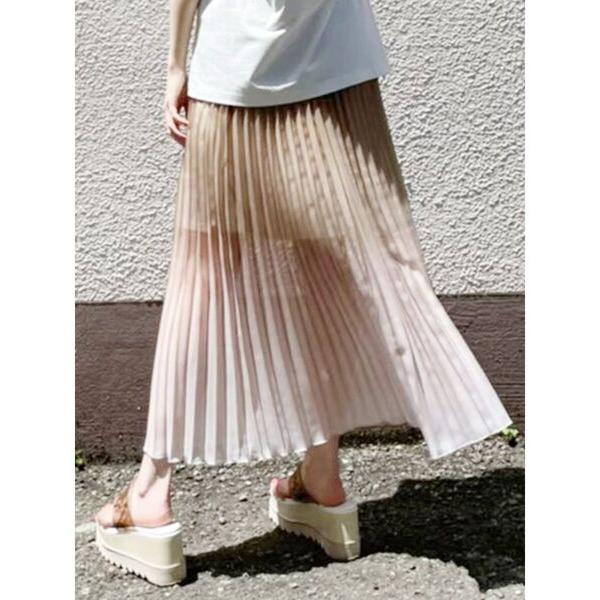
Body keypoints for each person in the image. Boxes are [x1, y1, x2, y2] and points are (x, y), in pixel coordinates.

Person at [93, 0, 512, 586]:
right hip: (338, 72)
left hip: (235, 75)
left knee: (205, 280)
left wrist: (175, 66)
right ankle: (322, 476)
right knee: (333, 269)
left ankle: (152, 492)